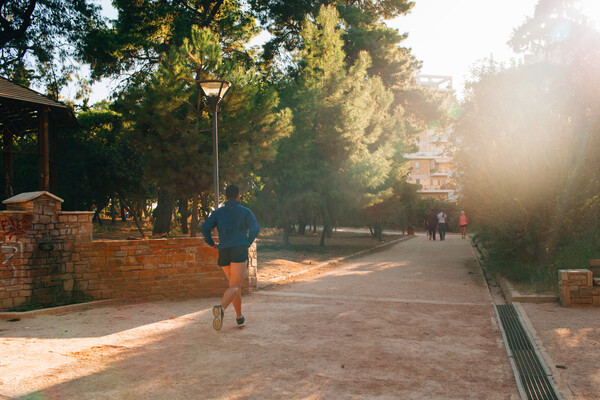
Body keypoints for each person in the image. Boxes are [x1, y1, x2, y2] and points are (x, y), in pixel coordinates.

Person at [201, 185, 260, 331]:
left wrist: (211, 243)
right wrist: (248, 241)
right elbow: (255, 228)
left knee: (233, 287)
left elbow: (204, 228)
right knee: (235, 286)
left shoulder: (218, 213)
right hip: (238, 250)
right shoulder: (245, 211)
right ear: (239, 196)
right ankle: (221, 308)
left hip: (224, 250)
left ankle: (239, 318)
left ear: (226, 197)